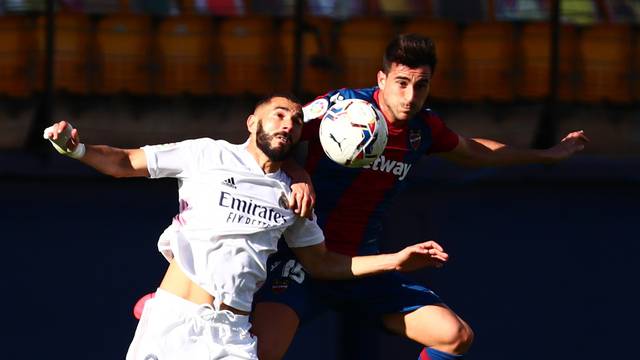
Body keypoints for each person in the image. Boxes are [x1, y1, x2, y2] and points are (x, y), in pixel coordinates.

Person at [252, 35, 590, 360]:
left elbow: (475, 151)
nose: (411, 95)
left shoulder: (423, 129)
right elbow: (275, 138)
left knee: (454, 337)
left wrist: (546, 155)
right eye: (401, 82)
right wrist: (297, 173)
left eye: (421, 85)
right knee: (260, 354)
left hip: (365, 266)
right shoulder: (342, 107)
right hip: (305, 261)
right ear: (381, 79)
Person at [43, 94, 450, 360]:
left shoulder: (293, 196)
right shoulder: (206, 154)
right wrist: (76, 148)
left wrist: (394, 260)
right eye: (278, 114)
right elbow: (124, 162)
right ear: (251, 121)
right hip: (173, 321)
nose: (288, 123)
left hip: (233, 336)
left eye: (294, 119)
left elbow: (324, 265)